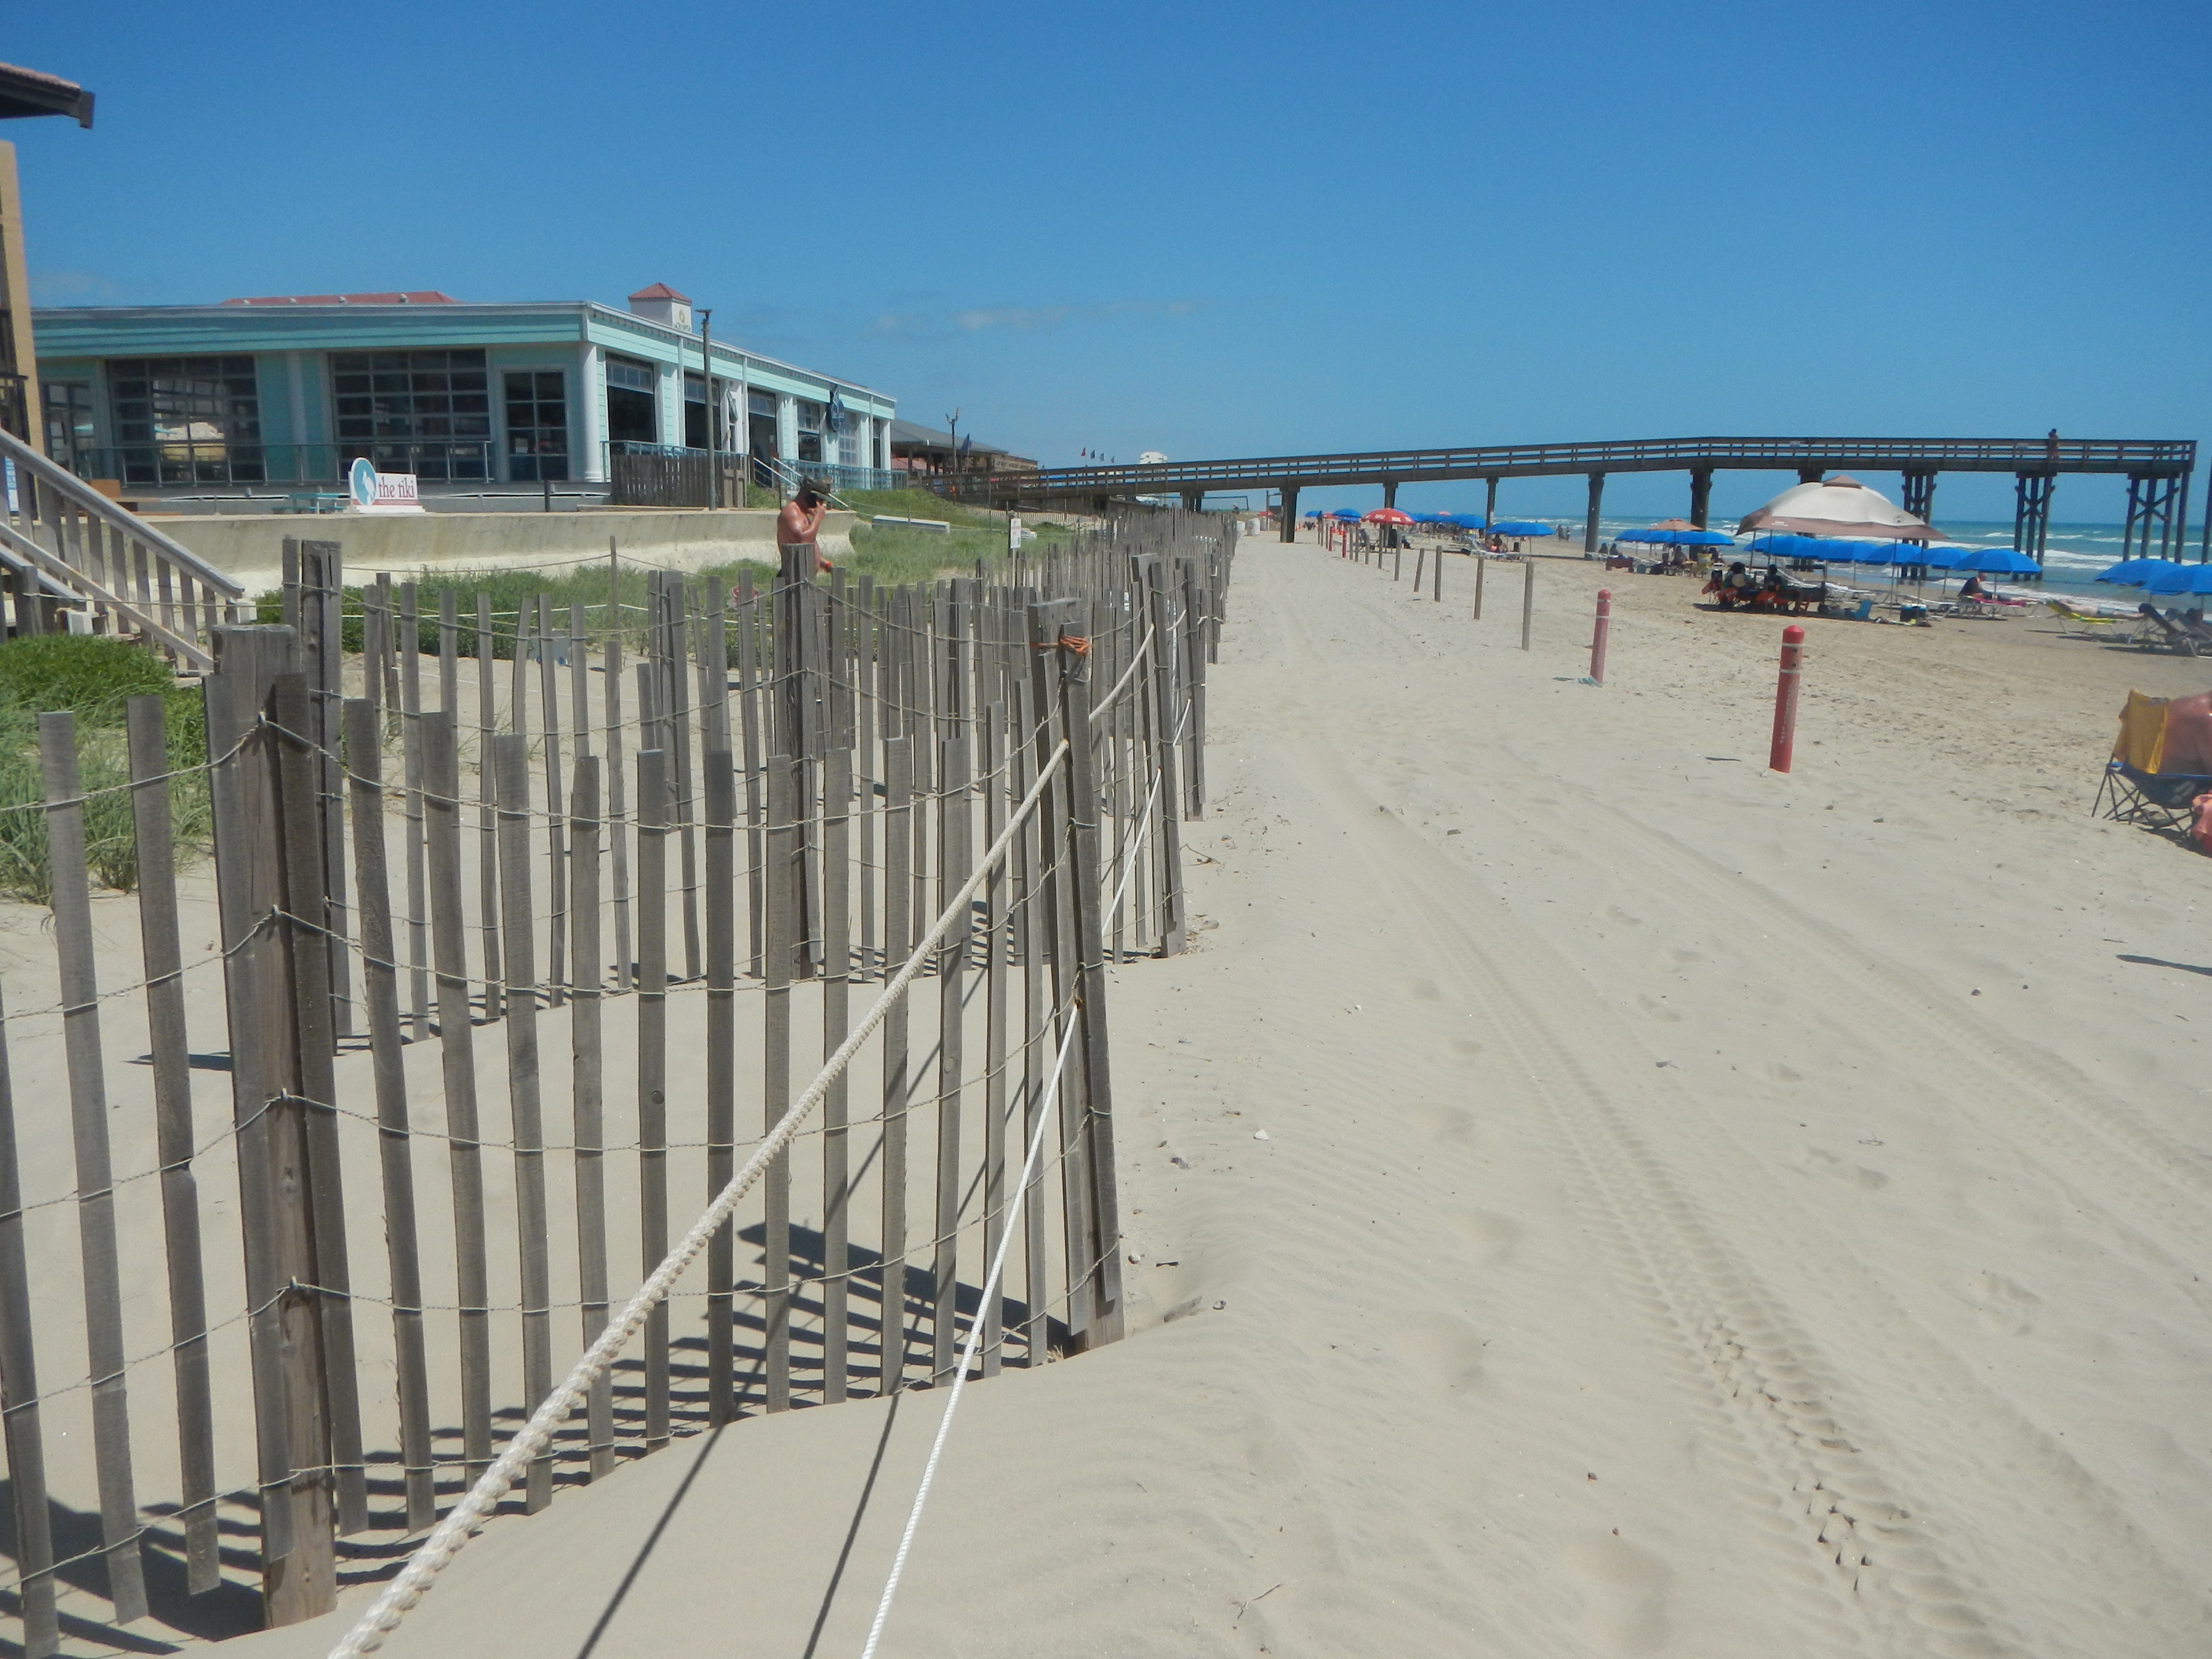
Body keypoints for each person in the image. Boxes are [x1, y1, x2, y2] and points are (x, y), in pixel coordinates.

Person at [778, 478, 834, 573]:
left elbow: (808, 549)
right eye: (820, 500)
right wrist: (817, 519)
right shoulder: (792, 512)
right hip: (794, 576)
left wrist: (826, 565)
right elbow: (803, 541)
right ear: (810, 497)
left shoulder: (803, 513)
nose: (821, 505)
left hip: (804, 576)